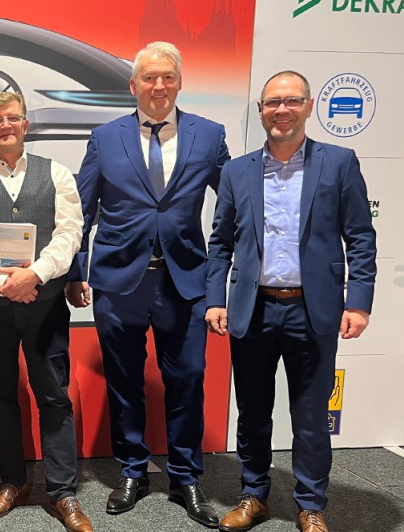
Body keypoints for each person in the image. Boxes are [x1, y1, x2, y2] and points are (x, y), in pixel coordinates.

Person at [65, 41, 229, 527]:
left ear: (180, 82)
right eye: (150, 78)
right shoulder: (105, 137)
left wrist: (224, 277)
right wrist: (76, 271)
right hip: (118, 284)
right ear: (133, 85)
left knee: (188, 381)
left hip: (186, 281)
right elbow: (81, 211)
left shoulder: (209, 135)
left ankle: (186, 477)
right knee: (124, 383)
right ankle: (133, 471)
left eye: (168, 77)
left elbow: (235, 203)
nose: (159, 86)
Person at [206, 70, 377, 532]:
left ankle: (310, 504)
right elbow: (220, 243)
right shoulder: (237, 171)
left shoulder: (339, 163)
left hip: (313, 310)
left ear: (309, 106)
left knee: (311, 416)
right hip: (253, 309)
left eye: (292, 101)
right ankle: (253, 495)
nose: (282, 110)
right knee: (252, 412)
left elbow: (361, 238)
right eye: (273, 103)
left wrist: (359, 302)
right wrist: (215, 299)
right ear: (261, 110)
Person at [0, 92, 91, 532]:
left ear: (25, 125)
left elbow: (70, 235)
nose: (5, 126)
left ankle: (62, 492)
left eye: (12, 118)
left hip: (44, 305)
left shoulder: (58, 174)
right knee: (0, 395)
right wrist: (4, 283)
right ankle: (12, 482)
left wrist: (35, 276)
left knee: (54, 396)